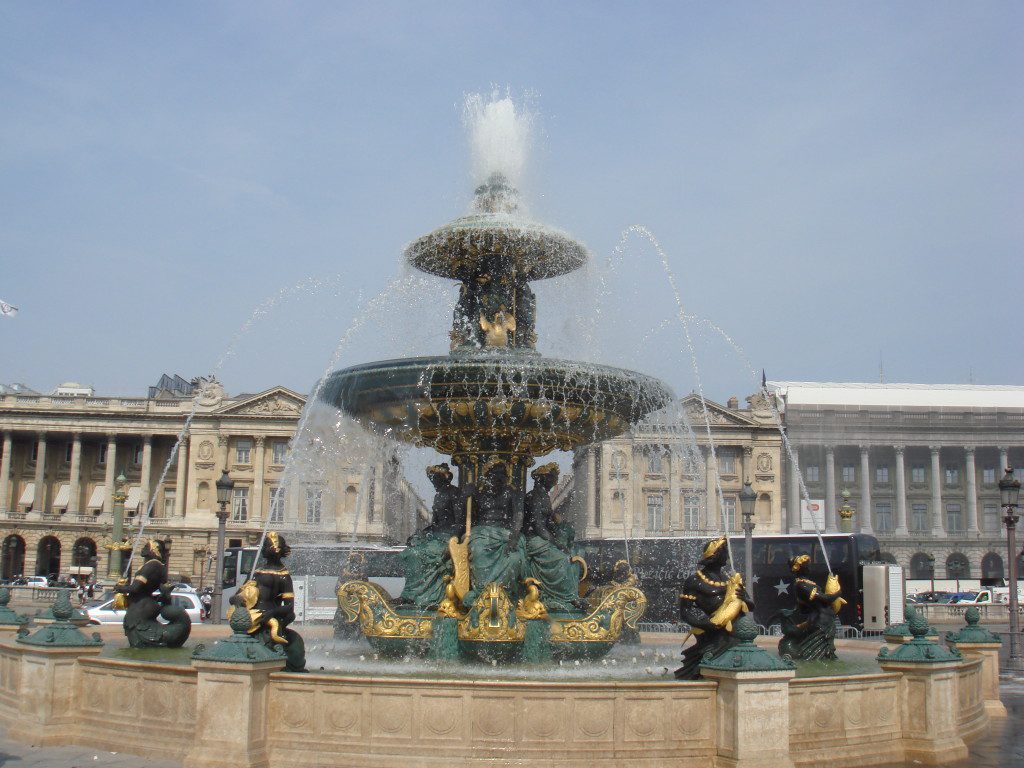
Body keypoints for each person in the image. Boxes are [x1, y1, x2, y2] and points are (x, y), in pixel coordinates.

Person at [674, 536, 754, 680]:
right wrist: (705, 624)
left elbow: (751, 606)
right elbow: (685, 612)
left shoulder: (730, 579)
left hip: (735, 629)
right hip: (712, 631)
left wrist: (745, 598)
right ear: (716, 555)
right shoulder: (694, 581)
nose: (728, 556)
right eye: (725, 552)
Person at [229, 531, 305, 672]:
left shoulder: (284, 576)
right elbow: (238, 594)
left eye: (265, 545)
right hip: (250, 618)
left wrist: (271, 613)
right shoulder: (257, 571)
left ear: (275, 549)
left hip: (267, 619)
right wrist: (236, 599)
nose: (262, 548)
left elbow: (289, 607)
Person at [396, 464, 467, 610]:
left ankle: (422, 596)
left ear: (444, 478)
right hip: (436, 536)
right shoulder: (438, 495)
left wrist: (453, 539)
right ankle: (411, 593)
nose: (433, 482)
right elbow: (434, 523)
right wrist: (420, 534)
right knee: (410, 553)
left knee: (420, 554)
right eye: (431, 479)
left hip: (447, 537)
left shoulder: (454, 493)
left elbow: (461, 522)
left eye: (435, 479)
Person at [522, 463, 585, 613]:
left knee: (567, 552)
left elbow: (547, 522)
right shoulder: (535, 496)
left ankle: (567, 594)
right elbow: (538, 525)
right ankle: (565, 597)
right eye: (552, 478)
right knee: (560, 558)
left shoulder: (543, 496)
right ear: (542, 479)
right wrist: (556, 542)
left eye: (555, 478)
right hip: (533, 538)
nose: (554, 482)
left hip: (541, 536)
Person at [462, 461, 526, 606]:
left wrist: (514, 538)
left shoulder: (513, 492)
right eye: (494, 474)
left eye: (501, 475)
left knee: (514, 558)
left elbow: (518, 516)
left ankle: (505, 593)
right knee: (477, 550)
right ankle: (482, 591)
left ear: (506, 477)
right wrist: (464, 496)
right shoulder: (478, 493)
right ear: (487, 476)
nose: (498, 478)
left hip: (506, 533)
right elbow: (465, 517)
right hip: (482, 531)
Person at [115, 539, 192, 648]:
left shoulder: (150, 566)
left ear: (154, 550)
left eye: (146, 547)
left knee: (138, 640)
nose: (143, 549)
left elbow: (136, 588)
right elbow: (164, 591)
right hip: (147, 604)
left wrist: (120, 588)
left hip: (141, 608)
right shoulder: (160, 567)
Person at [777, 555, 845, 660]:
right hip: (820, 623)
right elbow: (826, 599)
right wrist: (839, 592)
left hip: (825, 621)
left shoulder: (809, 583)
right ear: (799, 568)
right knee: (818, 654)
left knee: (825, 654)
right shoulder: (801, 585)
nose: (809, 568)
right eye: (806, 566)